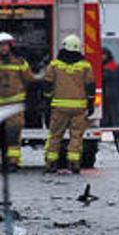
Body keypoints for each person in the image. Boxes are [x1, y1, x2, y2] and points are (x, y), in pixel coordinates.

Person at [43, 34, 94, 174]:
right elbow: (90, 86)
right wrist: (90, 103)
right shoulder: (85, 66)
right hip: (79, 107)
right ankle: (74, 162)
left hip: (59, 107)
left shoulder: (54, 65)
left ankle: (51, 163)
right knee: (76, 136)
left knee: (55, 135)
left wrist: (47, 101)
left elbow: (47, 84)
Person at [0, 32, 34, 171]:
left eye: (5, 45)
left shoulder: (20, 62)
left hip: (14, 106)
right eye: (1, 45)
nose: (3, 48)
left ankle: (12, 162)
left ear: (10, 46)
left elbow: (29, 79)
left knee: (13, 134)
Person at [101, 48, 119, 127]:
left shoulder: (110, 66)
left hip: (110, 93)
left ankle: (116, 129)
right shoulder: (111, 65)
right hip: (108, 92)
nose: (102, 57)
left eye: (103, 55)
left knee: (113, 112)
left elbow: (105, 77)